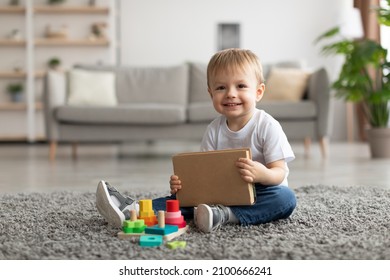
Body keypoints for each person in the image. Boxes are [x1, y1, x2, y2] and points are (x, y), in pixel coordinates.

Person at [96, 48, 297, 233]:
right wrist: (183, 185)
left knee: (285, 199)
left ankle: (226, 215)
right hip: (220, 192)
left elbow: (279, 173)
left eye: (241, 86)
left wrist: (262, 174)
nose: (231, 94)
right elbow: (205, 174)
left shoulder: (267, 126)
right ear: (211, 93)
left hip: (261, 193)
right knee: (180, 200)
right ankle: (134, 210)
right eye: (221, 88)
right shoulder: (213, 130)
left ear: (258, 92)